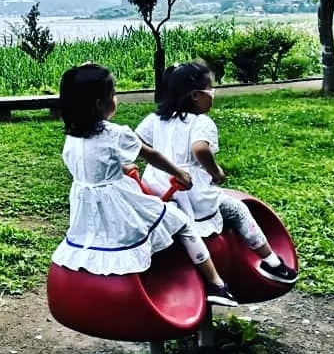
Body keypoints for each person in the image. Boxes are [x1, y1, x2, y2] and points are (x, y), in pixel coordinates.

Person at [51, 62, 239, 307]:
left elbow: (93, 164)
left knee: (96, 237)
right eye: (114, 94)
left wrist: (118, 168)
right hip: (118, 202)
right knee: (179, 220)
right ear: (101, 104)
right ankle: (216, 284)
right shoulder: (115, 133)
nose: (116, 98)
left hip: (86, 206)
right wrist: (178, 172)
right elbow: (151, 155)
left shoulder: (72, 137)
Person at [135, 61, 299, 285]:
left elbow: (136, 143)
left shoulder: (155, 119)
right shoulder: (201, 122)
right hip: (191, 194)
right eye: (210, 89)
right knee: (238, 210)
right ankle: (272, 263)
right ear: (195, 95)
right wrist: (216, 171)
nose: (213, 95)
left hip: (156, 189)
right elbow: (200, 148)